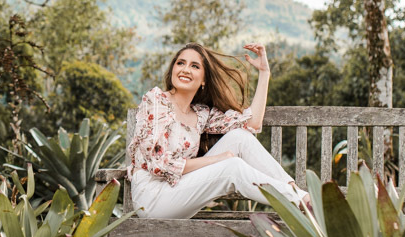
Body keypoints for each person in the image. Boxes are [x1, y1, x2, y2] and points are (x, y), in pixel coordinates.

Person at [126, 42, 310, 219]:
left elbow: (251, 123)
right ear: (173, 69)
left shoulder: (200, 113)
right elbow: (160, 165)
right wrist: (219, 159)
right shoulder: (156, 101)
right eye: (180, 63)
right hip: (152, 199)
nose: (185, 69)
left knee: (240, 137)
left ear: (204, 79)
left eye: (195, 66)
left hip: (181, 191)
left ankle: (300, 198)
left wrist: (264, 72)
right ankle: (303, 202)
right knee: (232, 167)